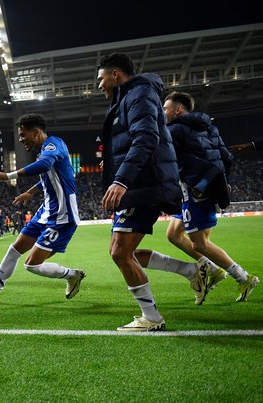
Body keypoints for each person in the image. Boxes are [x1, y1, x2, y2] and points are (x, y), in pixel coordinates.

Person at [135, 92, 258, 303]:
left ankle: (244, 277)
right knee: (173, 234)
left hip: (196, 190)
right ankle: (213, 270)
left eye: (165, 108)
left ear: (178, 110)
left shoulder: (174, 130)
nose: (163, 112)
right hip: (206, 185)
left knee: (200, 244)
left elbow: (158, 155)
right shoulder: (208, 126)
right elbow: (225, 156)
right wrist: (223, 180)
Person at [98, 52, 182, 332]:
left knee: (121, 252)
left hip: (143, 183)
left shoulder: (139, 93)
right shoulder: (130, 97)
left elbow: (145, 137)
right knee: (119, 251)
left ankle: (152, 317)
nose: (99, 86)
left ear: (116, 75)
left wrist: (121, 180)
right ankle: (193, 272)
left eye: (101, 79)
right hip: (140, 181)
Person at [0, 114, 85, 304]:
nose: (21, 139)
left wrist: (8, 175)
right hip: (46, 210)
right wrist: (30, 192)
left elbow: (45, 165)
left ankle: (73, 275)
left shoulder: (53, 144)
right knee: (14, 250)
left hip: (63, 215)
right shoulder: (44, 151)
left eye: (23, 135)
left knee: (32, 265)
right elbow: (49, 175)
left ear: (36, 133)